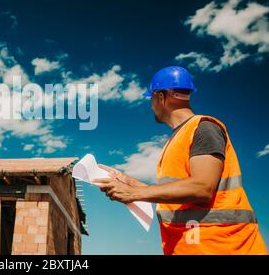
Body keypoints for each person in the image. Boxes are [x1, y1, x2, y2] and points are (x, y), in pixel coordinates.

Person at [93, 66, 268, 255]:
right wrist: (130, 182)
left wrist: (133, 193)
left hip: (222, 248)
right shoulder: (177, 139)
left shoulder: (203, 128)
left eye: (151, 99)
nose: (151, 105)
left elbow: (202, 188)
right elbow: (176, 193)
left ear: (161, 97)